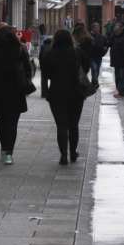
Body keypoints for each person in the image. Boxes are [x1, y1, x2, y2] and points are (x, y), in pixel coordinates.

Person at [0, 26, 32, 164]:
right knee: (13, 124)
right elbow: (28, 68)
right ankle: (9, 153)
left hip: (0, 91)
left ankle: (3, 149)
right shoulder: (20, 48)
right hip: (17, 91)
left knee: (3, 122)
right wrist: (25, 82)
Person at [42, 29, 84, 165]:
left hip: (56, 92)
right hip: (76, 92)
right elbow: (86, 67)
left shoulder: (50, 53)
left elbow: (46, 73)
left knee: (61, 125)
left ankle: (63, 155)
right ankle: (73, 152)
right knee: (74, 124)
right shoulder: (77, 52)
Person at [109, 22, 124, 97]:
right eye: (115, 30)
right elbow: (109, 43)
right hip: (115, 59)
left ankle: (122, 92)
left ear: (121, 29)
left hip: (122, 60)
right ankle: (120, 90)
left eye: (117, 30)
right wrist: (113, 34)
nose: (116, 31)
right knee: (117, 76)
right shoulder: (114, 36)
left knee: (122, 76)